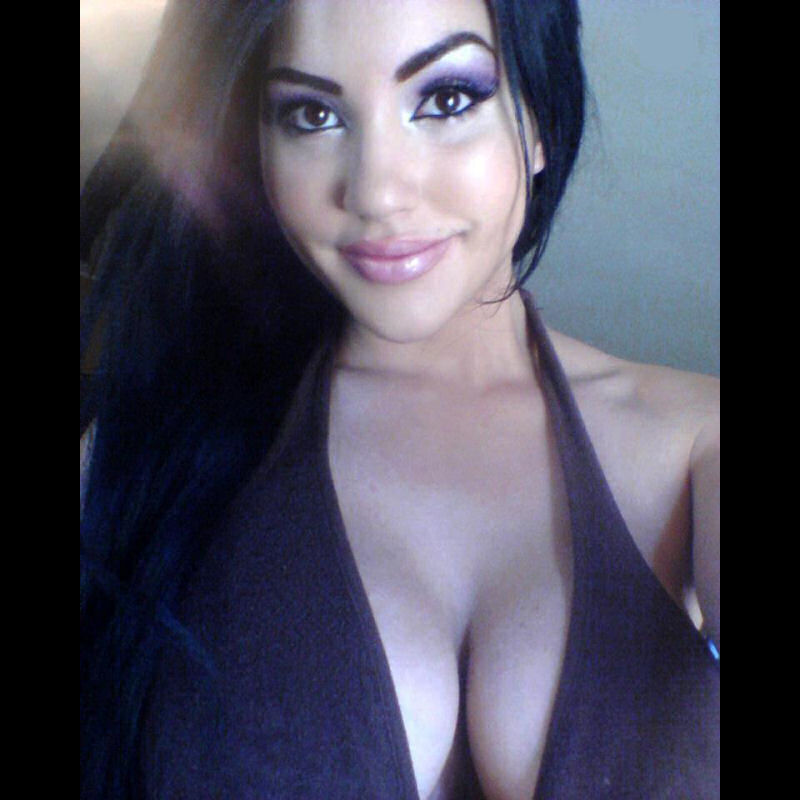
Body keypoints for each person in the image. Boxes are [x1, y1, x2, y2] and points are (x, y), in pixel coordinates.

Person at [80, 0, 720, 797]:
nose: (378, 191)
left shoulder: (697, 439)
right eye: (311, 115)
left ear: (539, 123)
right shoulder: (145, 453)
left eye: (447, 99)